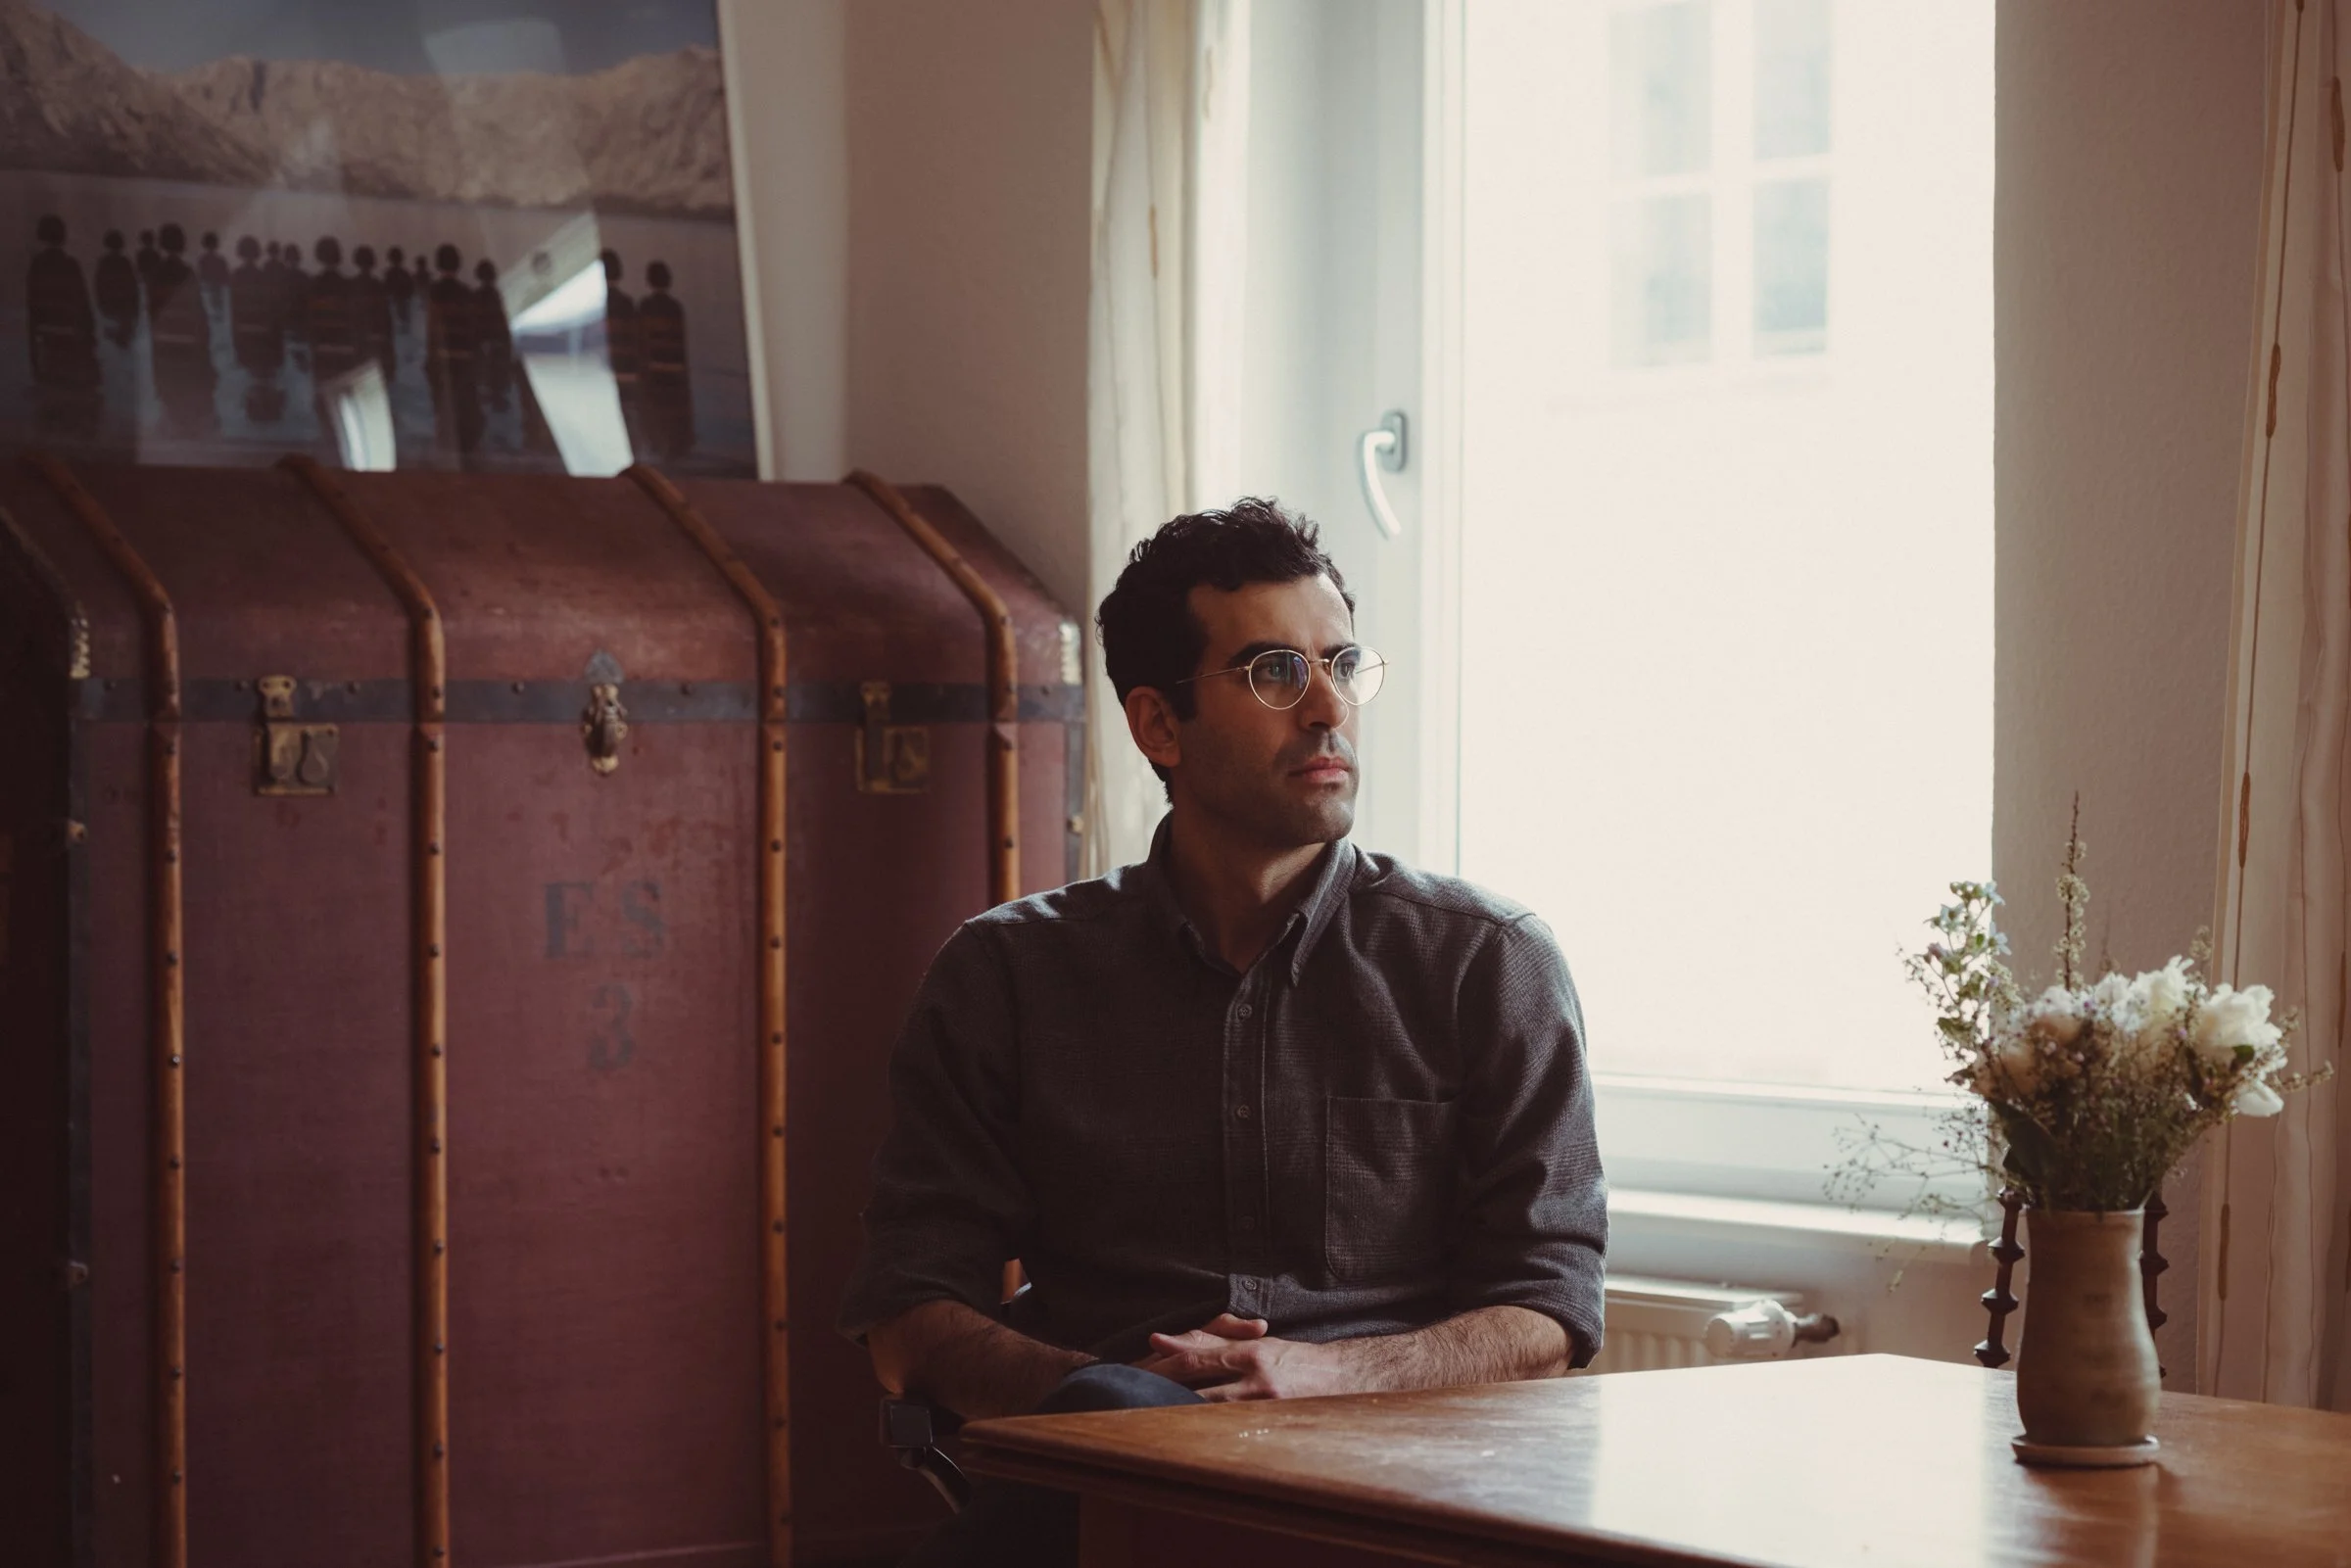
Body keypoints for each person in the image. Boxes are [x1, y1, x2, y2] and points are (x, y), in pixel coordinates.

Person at [840, 500, 1607, 1568]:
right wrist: (1131, 1407)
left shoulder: (1486, 961)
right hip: (1111, 1480)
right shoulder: (1008, 975)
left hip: (1391, 1487)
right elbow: (908, 1313)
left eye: (1340, 662)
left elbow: (1549, 1309)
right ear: (1158, 726)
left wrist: (1322, 1374)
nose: (1329, 706)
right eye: (1274, 673)